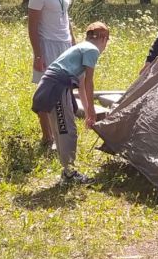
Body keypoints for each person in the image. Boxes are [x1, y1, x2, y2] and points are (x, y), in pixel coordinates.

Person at [31, 22, 110, 184]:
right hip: (56, 86)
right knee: (67, 130)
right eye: (107, 41)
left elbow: (80, 84)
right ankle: (69, 173)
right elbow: (89, 82)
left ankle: (67, 169)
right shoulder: (92, 50)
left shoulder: (81, 47)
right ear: (103, 38)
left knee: (62, 129)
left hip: (53, 84)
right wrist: (92, 112)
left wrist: (89, 110)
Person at [28, 0, 76, 147]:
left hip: (65, 45)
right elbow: (32, 26)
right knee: (46, 92)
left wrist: (74, 42)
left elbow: (65, 16)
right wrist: (38, 54)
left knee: (65, 90)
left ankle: (61, 133)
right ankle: (47, 137)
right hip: (47, 45)